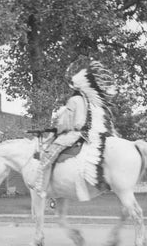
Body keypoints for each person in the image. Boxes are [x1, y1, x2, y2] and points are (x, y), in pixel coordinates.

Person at [31, 57, 116, 198]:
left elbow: (65, 123)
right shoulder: (85, 101)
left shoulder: (72, 101)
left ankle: (41, 188)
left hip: (71, 134)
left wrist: (56, 129)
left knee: (46, 156)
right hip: (83, 134)